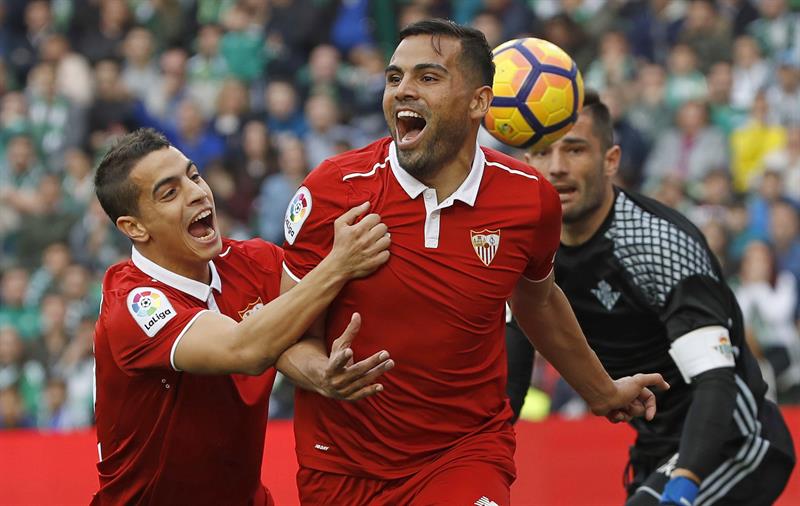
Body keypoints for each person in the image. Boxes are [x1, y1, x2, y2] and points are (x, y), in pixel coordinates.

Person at [276, 19, 668, 506]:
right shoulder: (333, 190)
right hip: (343, 465)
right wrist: (320, 374)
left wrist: (602, 391)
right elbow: (283, 330)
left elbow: (539, 302)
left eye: (428, 77)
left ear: (480, 102)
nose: (403, 91)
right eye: (394, 78)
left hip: (463, 452)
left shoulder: (530, 200)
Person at [507, 91, 796, 505]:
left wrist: (684, 483)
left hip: (735, 436)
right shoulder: (524, 248)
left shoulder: (656, 242)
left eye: (575, 150)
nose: (557, 168)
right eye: (542, 151)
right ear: (526, 163)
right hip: (656, 449)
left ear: (610, 161)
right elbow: (511, 381)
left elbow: (717, 380)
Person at [91, 128, 393, 505]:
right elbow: (247, 348)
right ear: (134, 227)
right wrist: (339, 264)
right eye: (169, 193)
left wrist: (320, 373)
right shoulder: (133, 305)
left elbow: (286, 340)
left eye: (194, 175)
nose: (197, 193)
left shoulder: (253, 263)